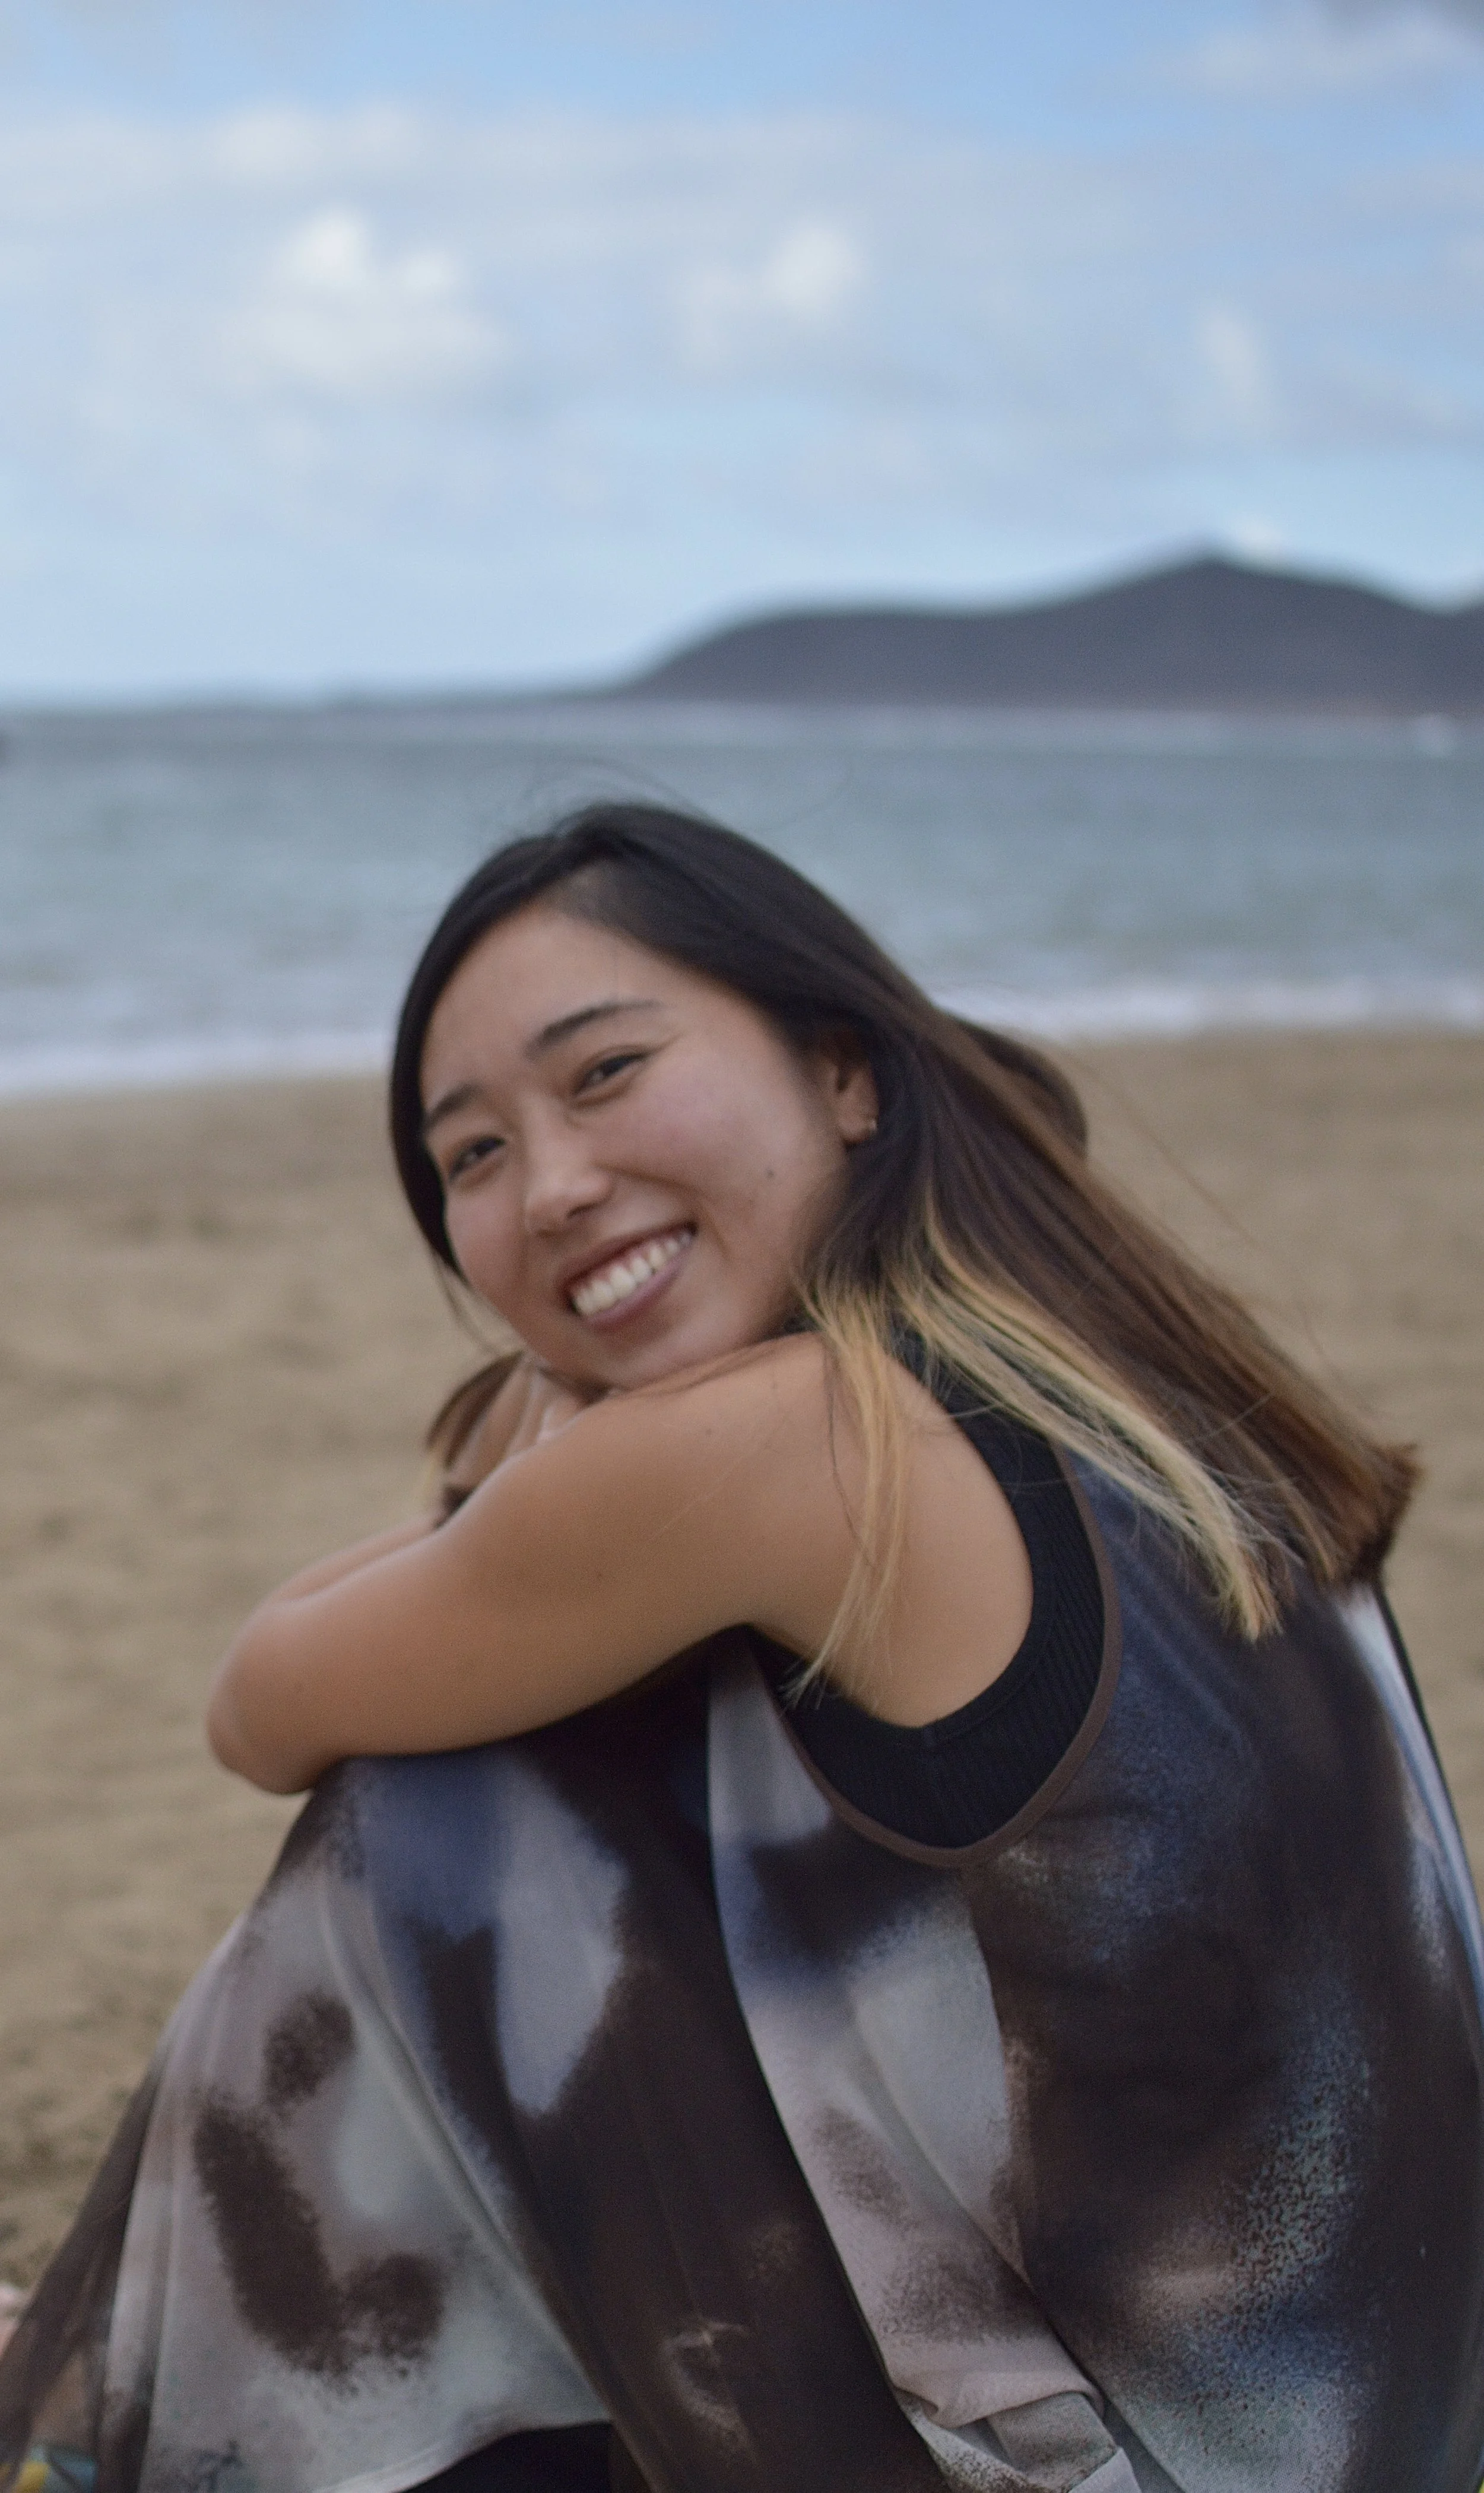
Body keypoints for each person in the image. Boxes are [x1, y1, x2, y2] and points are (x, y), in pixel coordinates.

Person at [2, 801, 1482, 2493]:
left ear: (841, 1070)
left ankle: (100, 2424)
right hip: (1355, 2420)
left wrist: (553, 1450)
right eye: (470, 1153)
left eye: (606, 1072)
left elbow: (260, 1698)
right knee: (631, 1787)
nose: (549, 1185)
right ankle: (109, 2373)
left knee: (431, 1832)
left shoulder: (796, 1442)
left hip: (1156, 2453)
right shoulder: (1104, 1360)